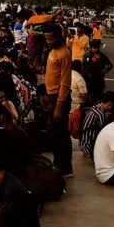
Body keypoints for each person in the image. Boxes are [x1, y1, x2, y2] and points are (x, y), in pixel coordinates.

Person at [41, 23, 73, 179]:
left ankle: (65, 167)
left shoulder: (64, 54)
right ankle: (58, 162)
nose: (48, 41)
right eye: (46, 39)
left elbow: (65, 82)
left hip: (58, 99)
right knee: (54, 134)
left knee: (61, 135)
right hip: (51, 97)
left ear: (59, 37)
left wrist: (59, 107)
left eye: (50, 39)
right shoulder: (53, 50)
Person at [82, 38, 114, 104]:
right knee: (92, 97)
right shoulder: (88, 56)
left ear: (98, 48)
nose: (93, 49)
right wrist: (87, 73)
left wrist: (105, 71)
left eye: (95, 48)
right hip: (90, 80)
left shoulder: (103, 57)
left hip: (100, 80)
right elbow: (83, 66)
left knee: (100, 96)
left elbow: (110, 65)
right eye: (92, 48)